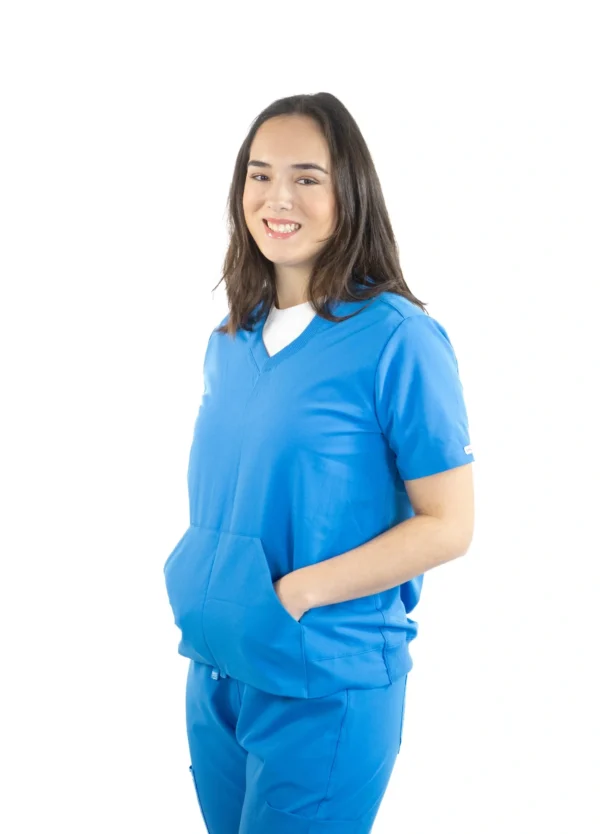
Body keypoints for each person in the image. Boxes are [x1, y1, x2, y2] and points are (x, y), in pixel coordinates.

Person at [163, 92, 475, 834]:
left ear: (351, 192)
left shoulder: (400, 340)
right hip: (216, 672)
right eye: (259, 174)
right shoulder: (230, 339)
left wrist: (296, 594)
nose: (278, 197)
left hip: (324, 681)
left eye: (307, 177)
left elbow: (449, 525)